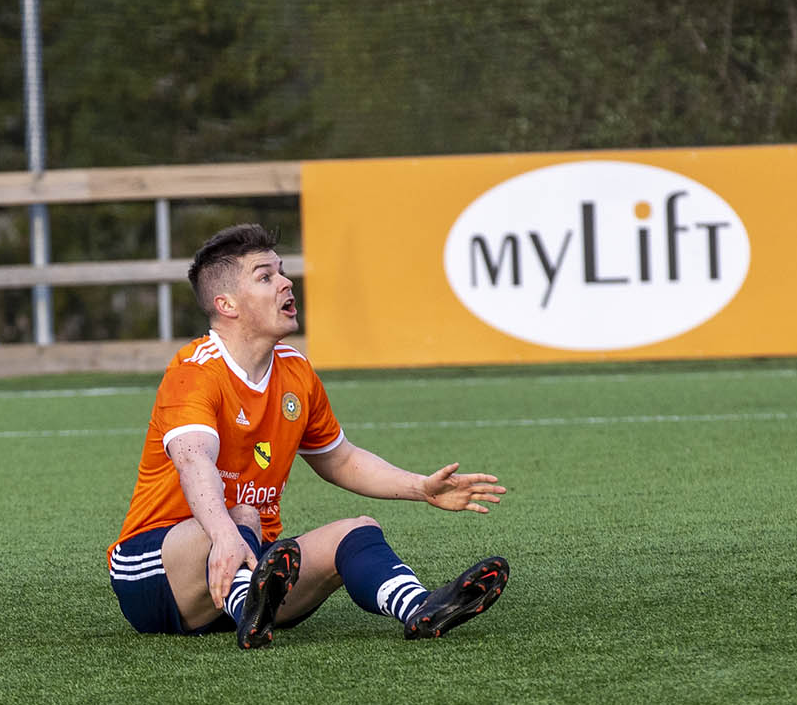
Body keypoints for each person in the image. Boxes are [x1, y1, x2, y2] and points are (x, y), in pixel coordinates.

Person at [108, 222, 510, 648]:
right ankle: (248, 599)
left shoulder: (296, 372)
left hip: (247, 562)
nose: (285, 282)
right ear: (226, 304)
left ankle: (420, 608)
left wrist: (421, 487)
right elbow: (194, 459)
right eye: (265, 276)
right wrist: (226, 535)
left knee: (357, 531)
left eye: (281, 272)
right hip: (155, 574)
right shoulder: (194, 370)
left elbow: (340, 458)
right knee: (244, 514)